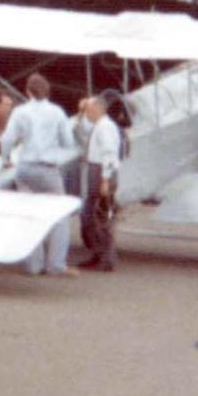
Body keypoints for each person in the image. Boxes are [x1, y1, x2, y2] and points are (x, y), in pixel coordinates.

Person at [0, 73, 77, 276]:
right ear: (48, 91)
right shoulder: (57, 112)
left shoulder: (20, 112)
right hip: (48, 168)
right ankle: (56, 264)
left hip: (25, 167)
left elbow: (6, 139)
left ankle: (33, 264)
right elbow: (68, 142)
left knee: (29, 215)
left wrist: (5, 160)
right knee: (60, 215)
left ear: (28, 91)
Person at [75, 94, 122, 272]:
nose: (87, 114)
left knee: (100, 217)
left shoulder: (105, 127)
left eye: (89, 110)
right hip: (97, 170)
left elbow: (109, 153)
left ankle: (106, 258)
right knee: (92, 216)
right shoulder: (99, 125)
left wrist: (105, 179)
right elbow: (81, 129)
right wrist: (81, 111)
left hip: (101, 171)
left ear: (98, 109)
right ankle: (98, 253)